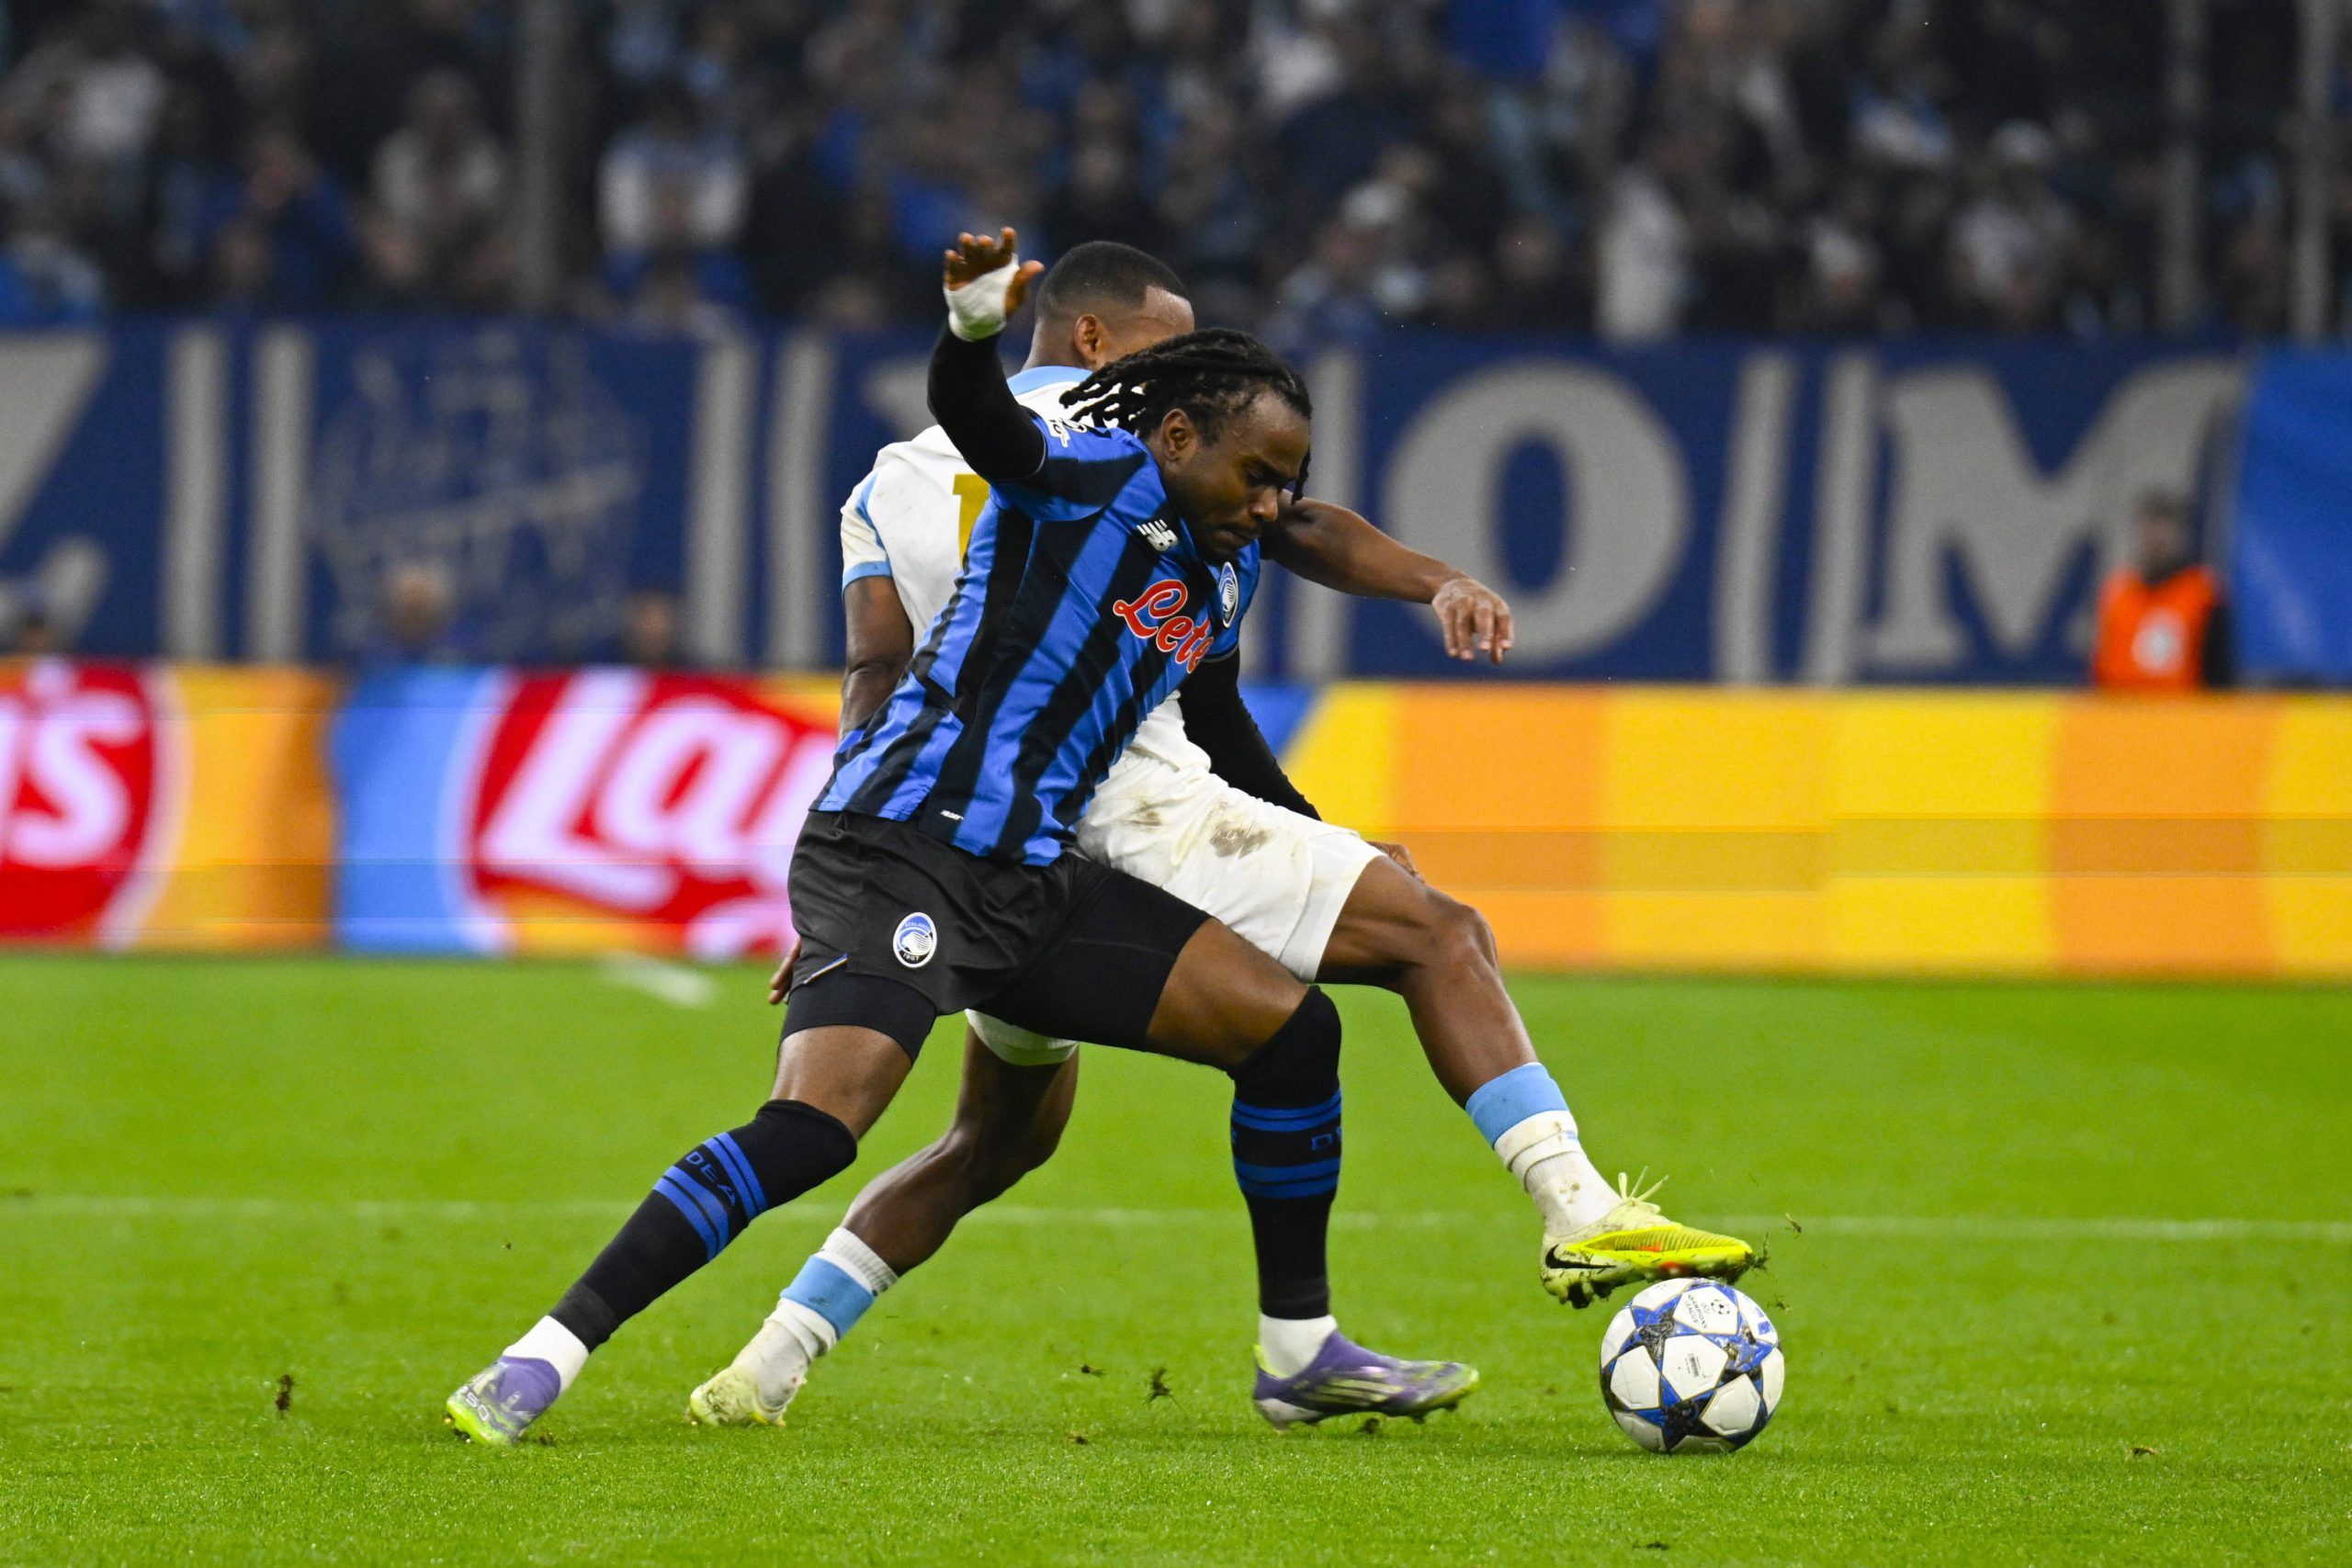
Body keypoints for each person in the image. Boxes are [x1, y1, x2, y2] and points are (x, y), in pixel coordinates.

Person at [682, 240, 1756, 1433]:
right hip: (1095, 806)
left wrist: (856, 888)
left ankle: (765, 1363)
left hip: (951, 841)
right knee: (1436, 932)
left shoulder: (887, 484)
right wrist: (1434, 579)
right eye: (1170, 347)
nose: (1189, 374)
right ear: (1095, 341)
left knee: (996, 1140)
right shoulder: (1121, 438)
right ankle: (1575, 1208)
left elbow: (879, 671)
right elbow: (1295, 530)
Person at [445, 228, 1473, 1446]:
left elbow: (1281, 588)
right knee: (816, 1125)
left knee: (1293, 1033)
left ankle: (1299, 1352)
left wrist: (1331, 822)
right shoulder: (1069, 476)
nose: (1268, 504)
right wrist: (973, 325)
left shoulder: (1201, 571)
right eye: (1255, 475)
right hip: (907, 846)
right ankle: (537, 1357)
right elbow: (981, 421)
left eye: (1277, 483)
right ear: (1173, 427)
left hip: (1034, 878)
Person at [2091, 492, 2230, 691]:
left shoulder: (2201, 594)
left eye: (2165, 530)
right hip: (2120, 713)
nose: (2157, 540)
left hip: (2179, 715)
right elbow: (2101, 666)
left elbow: (2218, 675)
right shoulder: (2117, 592)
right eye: (2150, 528)